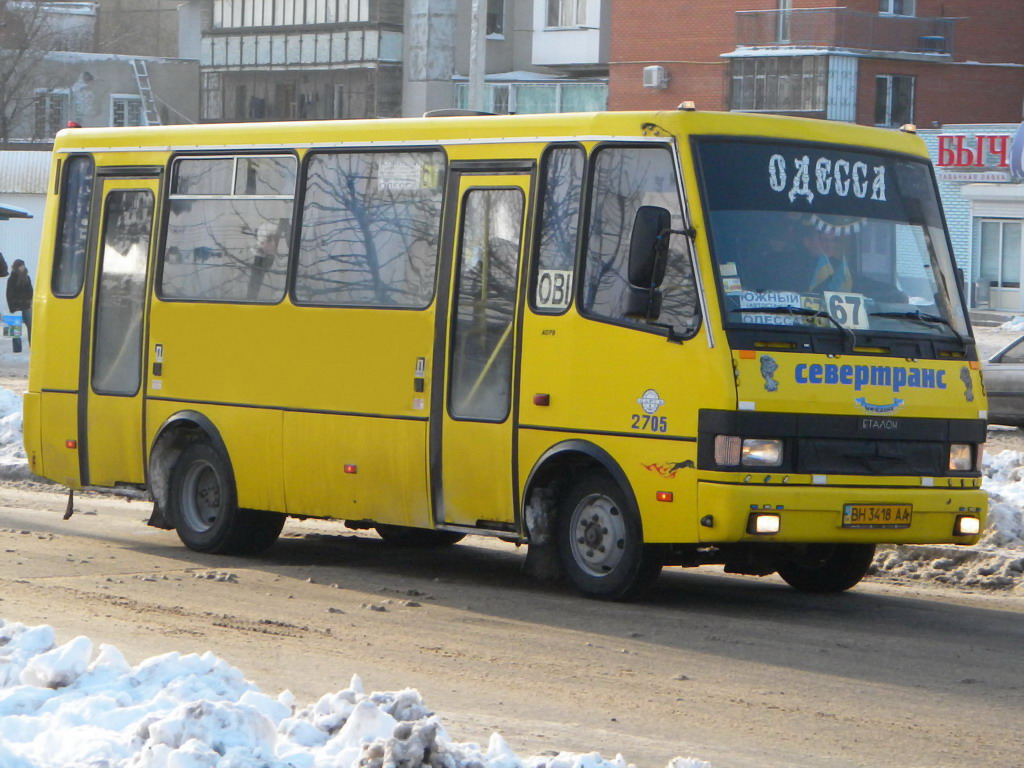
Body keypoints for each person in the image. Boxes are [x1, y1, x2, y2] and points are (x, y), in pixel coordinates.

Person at [804, 227, 853, 293]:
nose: (829, 245)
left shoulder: (839, 267)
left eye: (833, 240)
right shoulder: (794, 266)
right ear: (807, 242)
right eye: (824, 240)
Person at [7, 259, 33, 350]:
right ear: (16, 267)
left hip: (26, 305)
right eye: (21, 265)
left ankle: (32, 345)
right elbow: (9, 294)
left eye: (23, 265)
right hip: (16, 306)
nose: (23, 267)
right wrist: (11, 307)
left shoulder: (27, 277)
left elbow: (30, 290)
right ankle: (17, 348)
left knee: (31, 325)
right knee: (15, 328)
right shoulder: (12, 278)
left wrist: (30, 301)